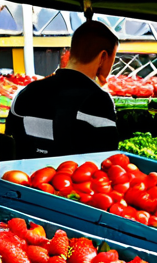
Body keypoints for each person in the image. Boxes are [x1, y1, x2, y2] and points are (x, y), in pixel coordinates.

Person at [6, 20, 119, 159]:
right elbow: (107, 159)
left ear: (73, 50)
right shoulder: (98, 101)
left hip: (19, 178)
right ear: (103, 57)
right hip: (71, 179)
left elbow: (9, 144)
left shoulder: (25, 93)